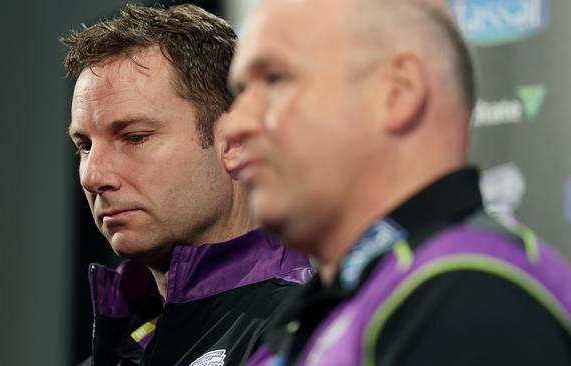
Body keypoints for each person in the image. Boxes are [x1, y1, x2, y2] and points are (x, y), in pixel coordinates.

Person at [221, 0, 571, 365]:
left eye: (275, 79)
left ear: (398, 91)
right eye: (242, 91)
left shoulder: (469, 293)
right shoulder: (326, 307)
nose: (236, 124)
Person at [61, 4, 313, 366]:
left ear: (234, 141)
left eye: (134, 138)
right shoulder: (117, 350)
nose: (92, 176)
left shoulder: (307, 335)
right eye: (84, 146)